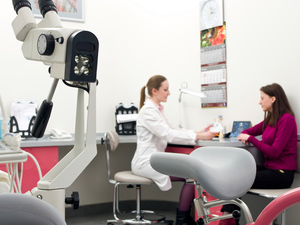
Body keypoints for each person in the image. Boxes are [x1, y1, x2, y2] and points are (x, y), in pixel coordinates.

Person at [131, 75, 217, 225]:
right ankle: (182, 220)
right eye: (165, 89)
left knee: (191, 176)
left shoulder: (157, 109)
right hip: (146, 162)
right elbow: (168, 134)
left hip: (155, 160)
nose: (169, 93)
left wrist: (198, 132)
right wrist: (198, 135)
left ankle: (183, 218)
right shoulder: (148, 111)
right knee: (191, 177)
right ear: (154, 91)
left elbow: (172, 128)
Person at [219, 83, 297, 225]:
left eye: (262, 98)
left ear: (273, 99)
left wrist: (251, 139)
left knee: (238, 180)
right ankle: (228, 218)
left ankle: (227, 219)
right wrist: (246, 134)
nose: (259, 101)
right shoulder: (270, 120)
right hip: (270, 170)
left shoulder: (287, 119)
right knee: (235, 173)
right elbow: (249, 131)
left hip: (282, 174)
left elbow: (274, 152)